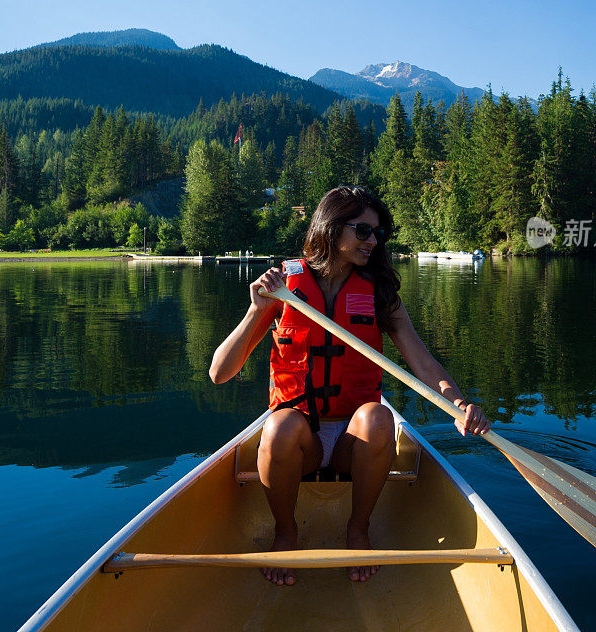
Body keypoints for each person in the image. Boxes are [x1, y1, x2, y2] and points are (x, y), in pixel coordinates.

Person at [209, 186, 490, 586]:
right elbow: (220, 373)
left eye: (378, 233)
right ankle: (286, 533)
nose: (373, 241)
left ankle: (359, 530)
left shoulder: (379, 294)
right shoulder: (284, 289)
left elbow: (423, 362)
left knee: (378, 417)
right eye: (363, 231)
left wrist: (459, 403)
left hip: (352, 442)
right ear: (331, 229)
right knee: (278, 427)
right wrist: (257, 308)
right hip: (299, 438)